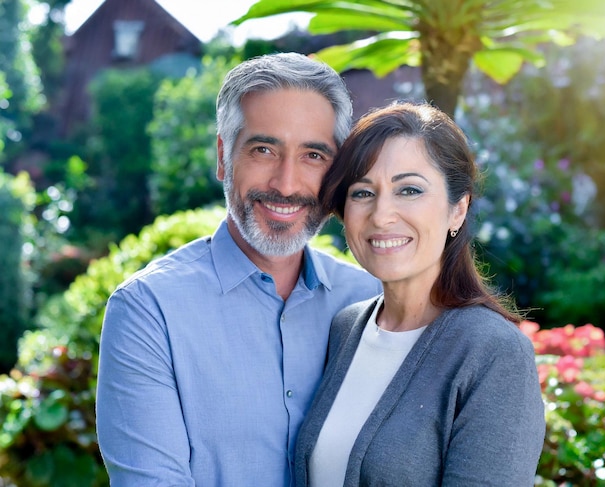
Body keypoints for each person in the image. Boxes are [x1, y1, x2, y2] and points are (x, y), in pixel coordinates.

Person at [95, 52, 381, 487]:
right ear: (223, 156)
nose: (286, 184)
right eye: (264, 150)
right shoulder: (148, 312)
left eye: (313, 155)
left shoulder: (373, 301)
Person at [294, 101, 546, 487]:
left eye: (409, 190)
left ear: (457, 210)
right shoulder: (346, 328)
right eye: (362, 193)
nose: (382, 215)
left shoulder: (494, 353)